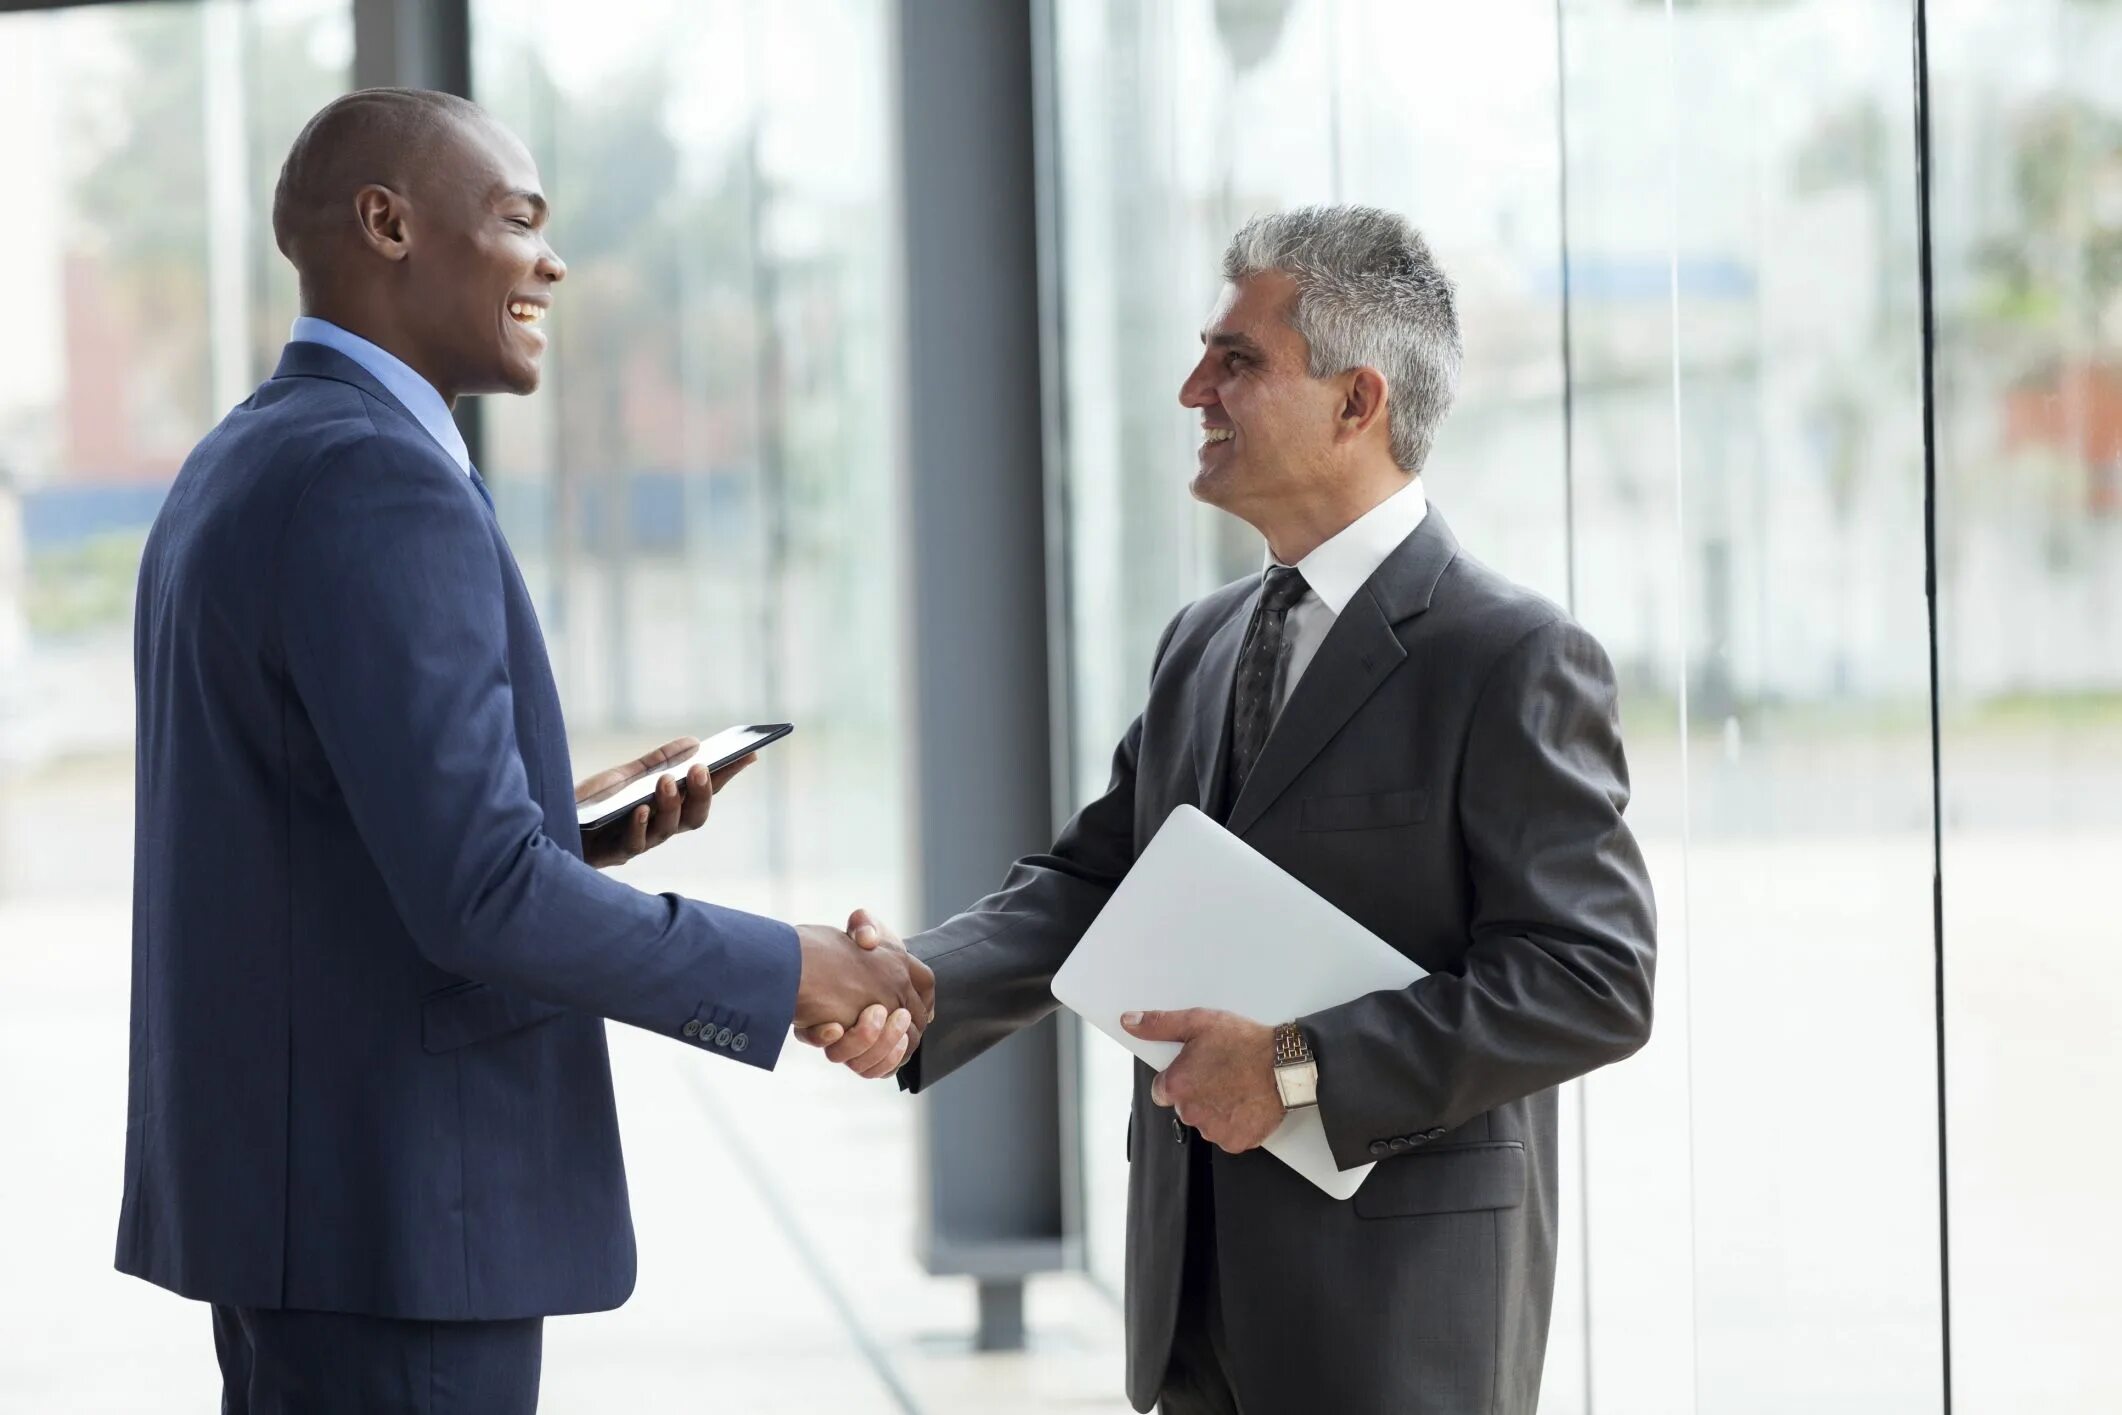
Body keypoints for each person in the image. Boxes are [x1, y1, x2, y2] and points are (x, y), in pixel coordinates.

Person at [116, 88, 931, 1414]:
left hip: (294, 1210)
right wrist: (797, 969)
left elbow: (300, 816)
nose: (551, 261)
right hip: (397, 1226)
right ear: (386, 224)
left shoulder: (248, 453)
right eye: (516, 218)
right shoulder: (381, 479)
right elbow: (481, 896)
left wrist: (560, 820)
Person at [808, 205, 1657, 1414]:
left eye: (1237, 360)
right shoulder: (1200, 640)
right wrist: (920, 981)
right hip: (1192, 1292)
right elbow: (1096, 880)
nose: (1191, 387)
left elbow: (1593, 979)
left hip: (1399, 1308)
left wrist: (1299, 1063)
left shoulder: (1509, 654)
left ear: (1358, 401)